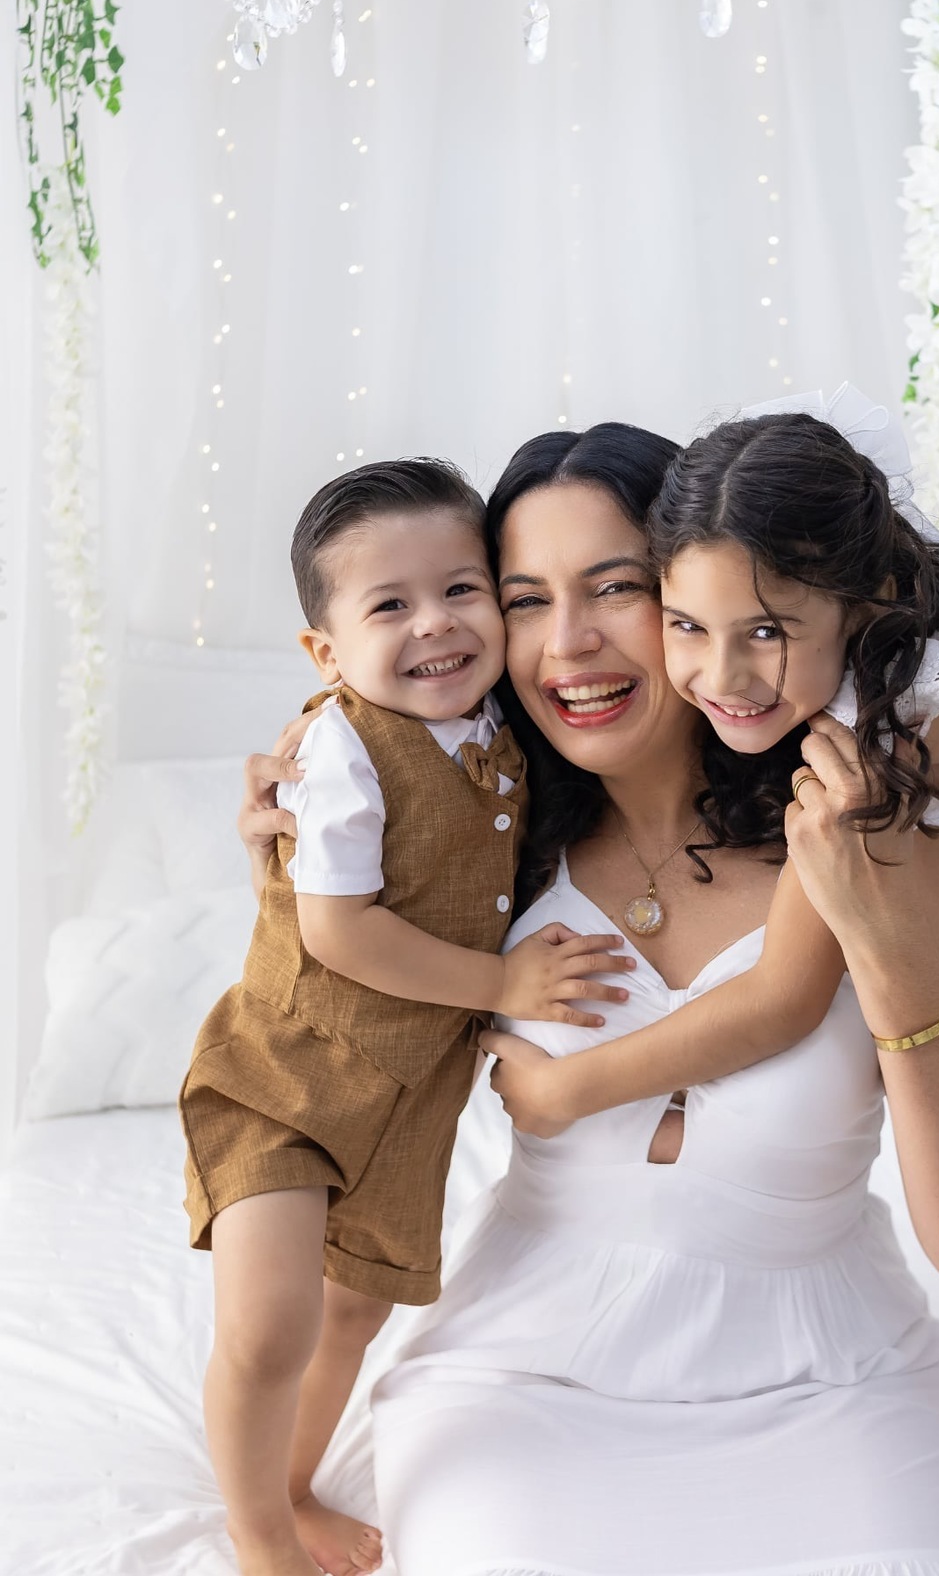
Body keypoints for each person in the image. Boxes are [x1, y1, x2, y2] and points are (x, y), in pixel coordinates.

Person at [347, 421, 939, 1575]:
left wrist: (893, 954)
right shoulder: (476, 846)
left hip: (831, 1379)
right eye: (525, 599)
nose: (567, 644)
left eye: (615, 588)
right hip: (525, 1374)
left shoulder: (866, 836)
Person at [521, 389, 939, 1575]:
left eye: (768, 631)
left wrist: (570, 1092)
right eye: (684, 623)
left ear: (863, 604)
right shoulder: (786, 657)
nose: (719, 673)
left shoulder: (897, 746)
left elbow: (782, 991)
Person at [184, 458, 633, 1576]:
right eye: (390, 605)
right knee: (275, 1321)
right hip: (284, 1077)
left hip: (406, 1101)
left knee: (351, 1317)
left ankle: (290, 1482)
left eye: (462, 589)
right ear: (327, 653)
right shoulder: (342, 744)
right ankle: (257, 1531)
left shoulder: (500, 731)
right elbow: (338, 932)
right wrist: (507, 987)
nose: (434, 624)